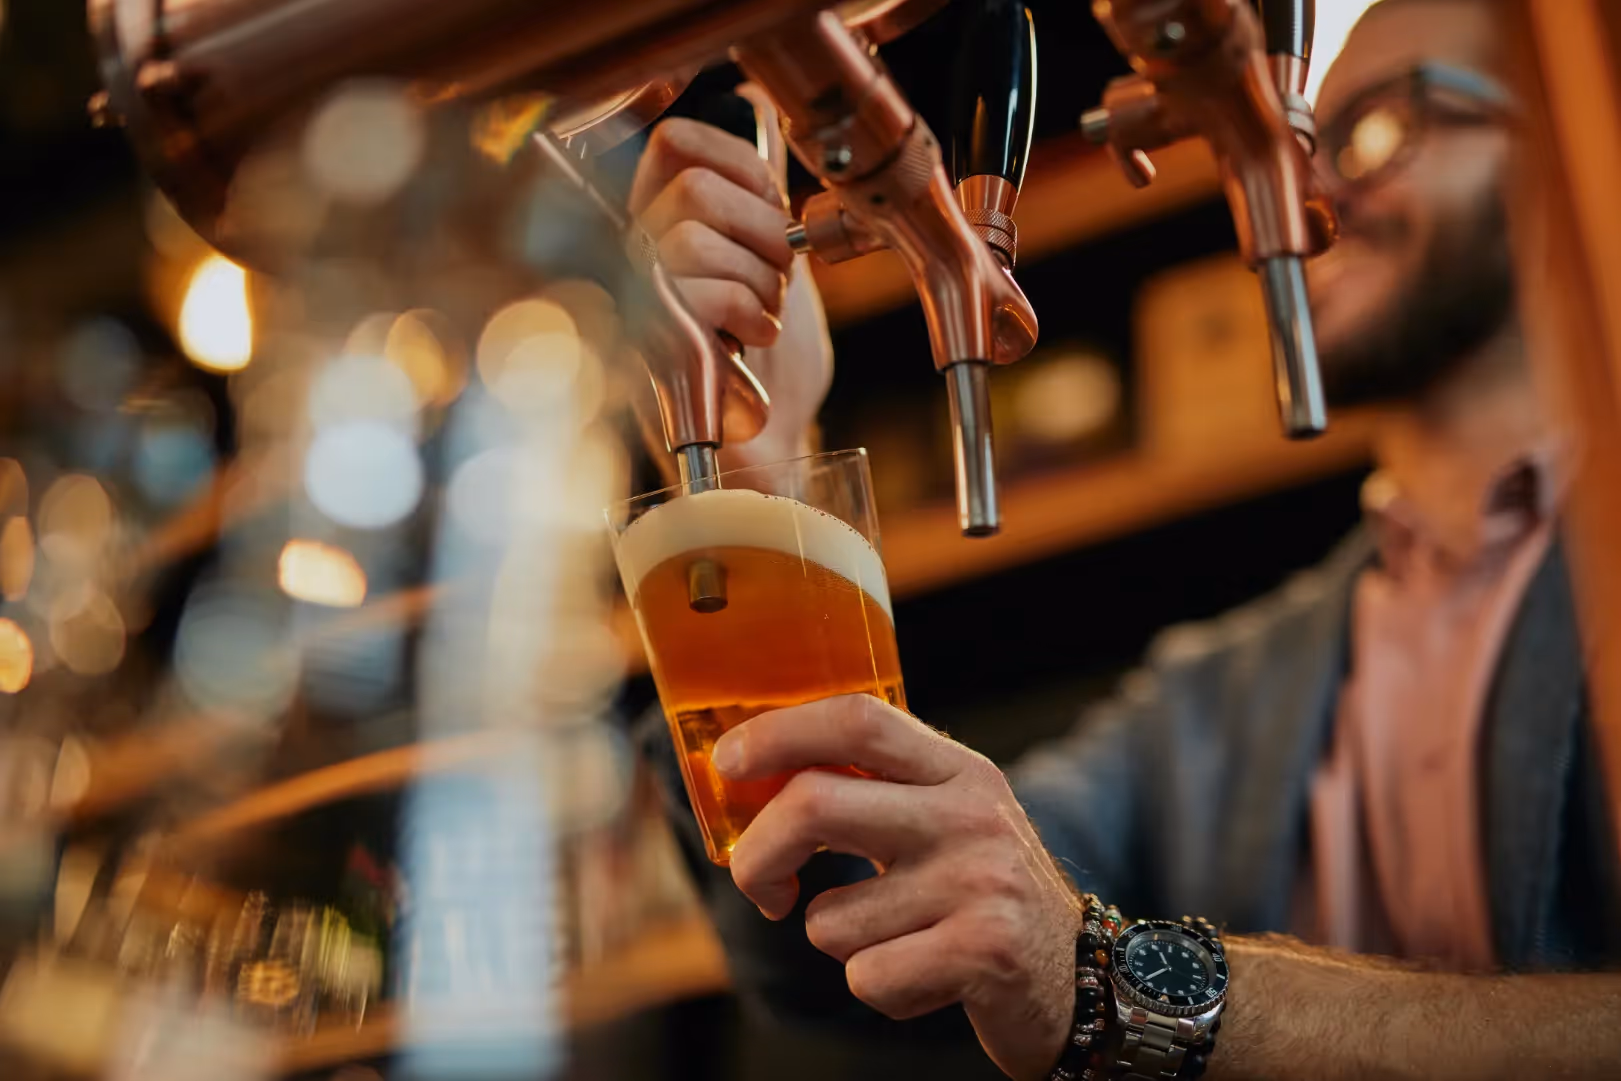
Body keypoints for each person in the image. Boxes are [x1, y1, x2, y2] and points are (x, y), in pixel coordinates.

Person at [628, 1, 1621, 1077]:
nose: (1315, 189)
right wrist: (759, 477)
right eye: (1307, 145)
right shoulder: (1217, 696)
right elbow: (869, 949)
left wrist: (1108, 977)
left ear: (1572, 132)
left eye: (1382, 129)